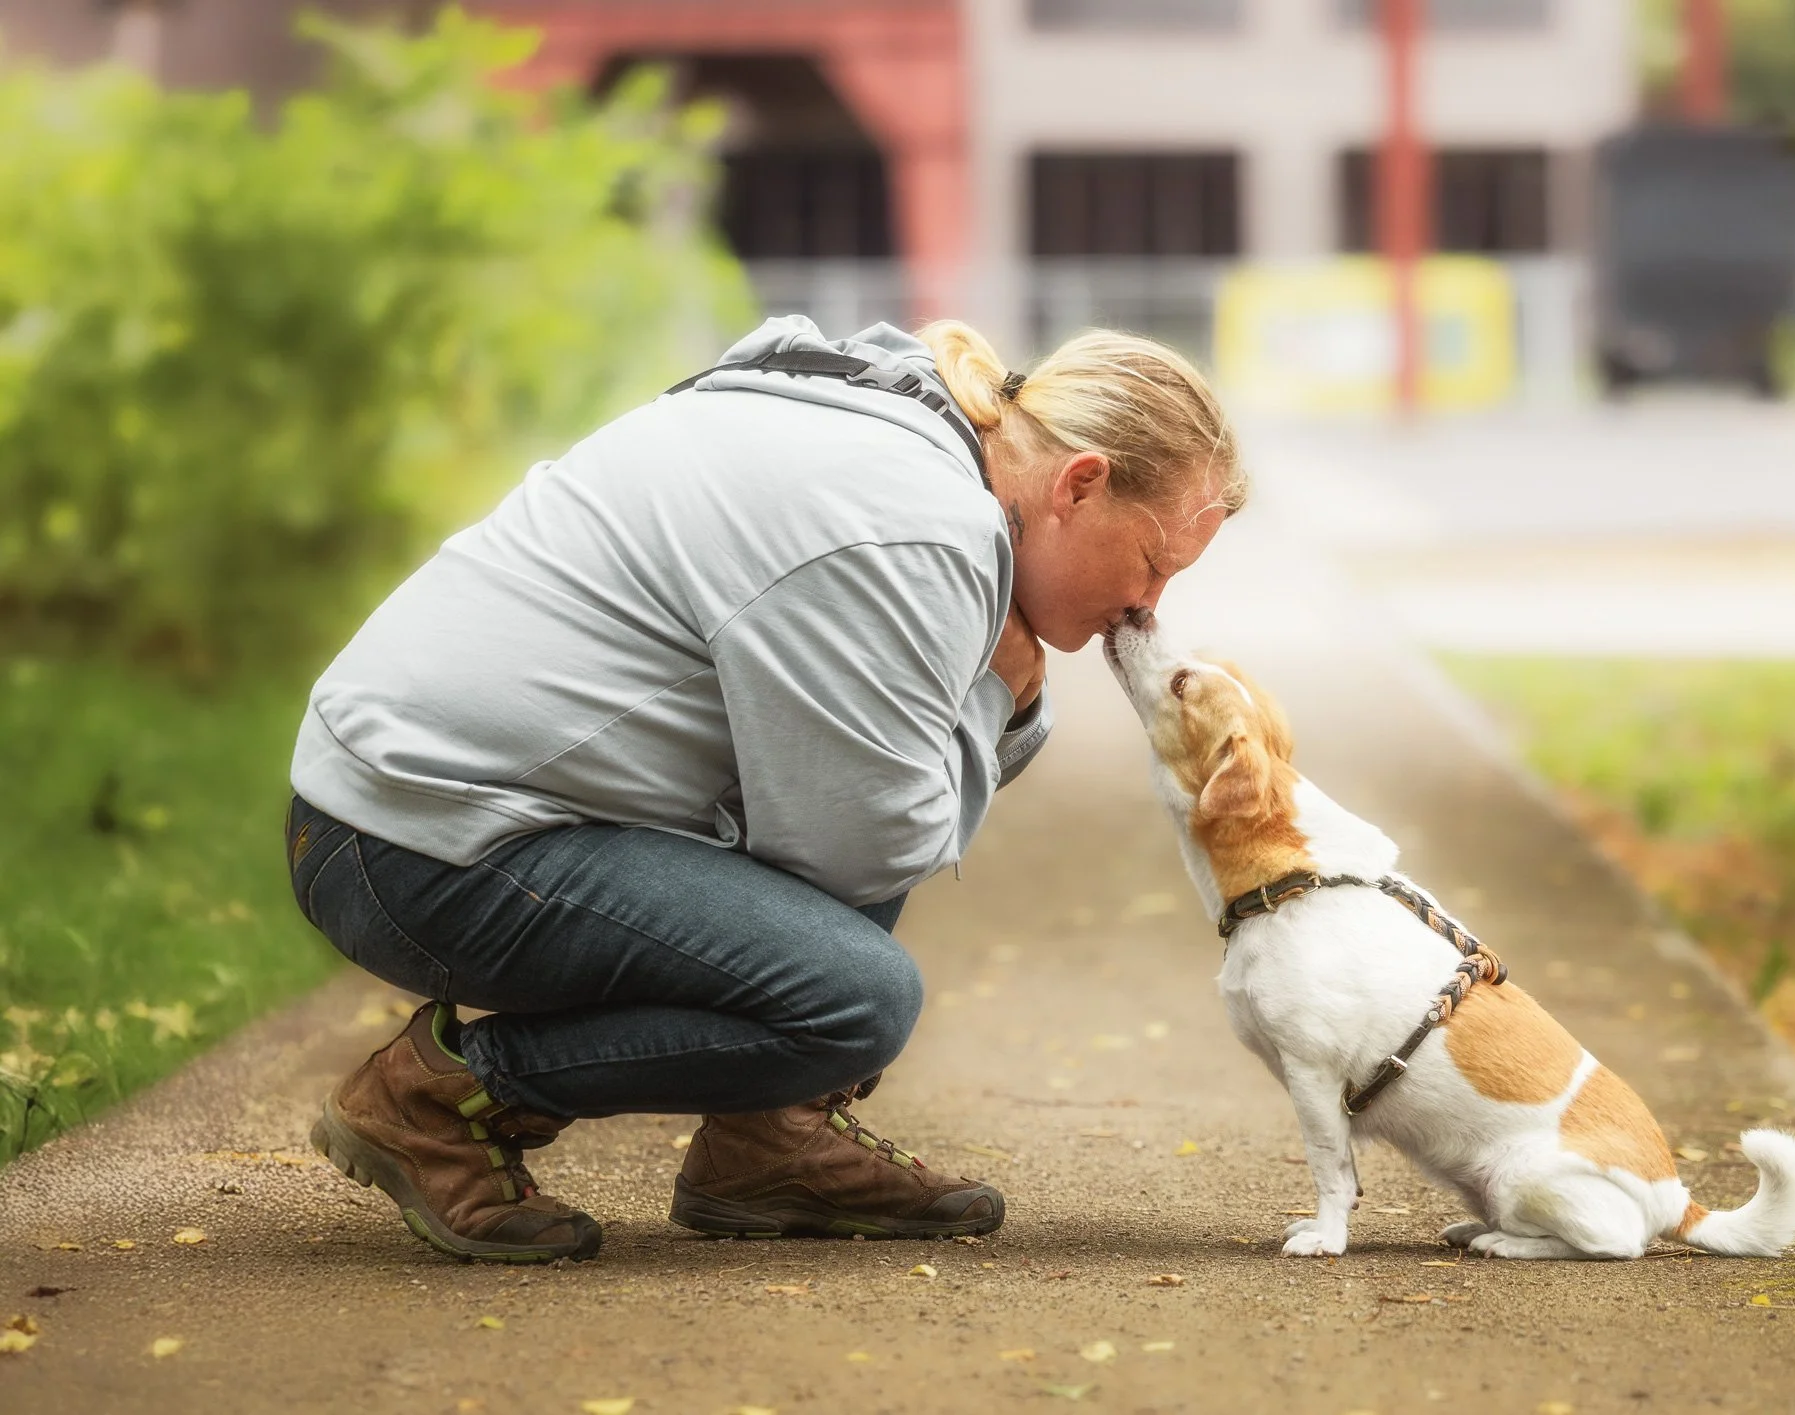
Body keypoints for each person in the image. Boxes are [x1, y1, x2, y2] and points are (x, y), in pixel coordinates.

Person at [283, 314, 1247, 1263]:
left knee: (880, 769)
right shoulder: (914, 527)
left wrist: (984, 699)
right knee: (857, 1002)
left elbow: (862, 796)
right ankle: (443, 1096)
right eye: (1155, 564)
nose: (1146, 606)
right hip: (414, 839)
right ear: (1080, 483)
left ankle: (767, 1145)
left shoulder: (899, 411)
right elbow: (863, 846)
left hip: (420, 793)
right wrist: (991, 690)